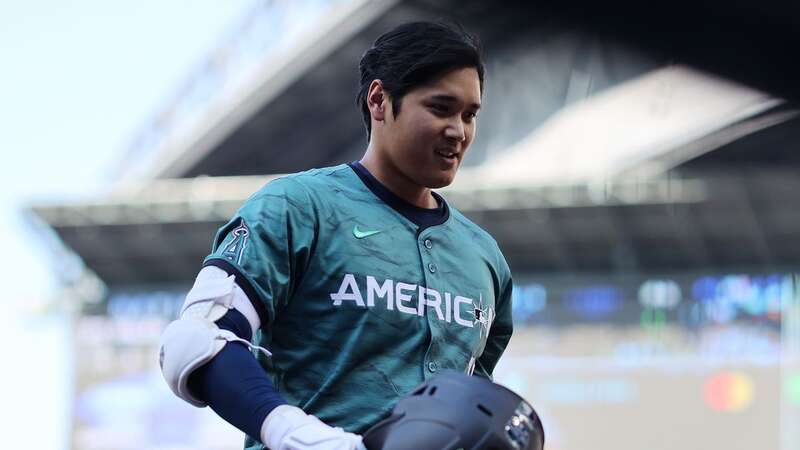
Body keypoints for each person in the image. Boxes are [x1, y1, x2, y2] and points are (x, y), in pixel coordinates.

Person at [159, 20, 514, 450]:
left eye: (470, 115)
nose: (459, 131)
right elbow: (194, 341)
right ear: (380, 100)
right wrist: (303, 438)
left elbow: (471, 405)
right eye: (441, 108)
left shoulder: (485, 259)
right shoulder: (296, 207)